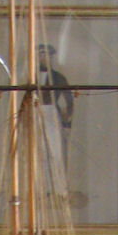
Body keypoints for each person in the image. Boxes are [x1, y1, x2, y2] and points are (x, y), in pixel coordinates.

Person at [37, 43, 73, 197]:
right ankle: (40, 189)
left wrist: (67, 123)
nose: (43, 58)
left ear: (51, 57)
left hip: (52, 114)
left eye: (46, 55)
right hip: (34, 113)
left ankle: (58, 189)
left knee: (54, 151)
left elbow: (69, 101)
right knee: (38, 151)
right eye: (41, 54)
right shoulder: (31, 77)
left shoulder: (59, 78)